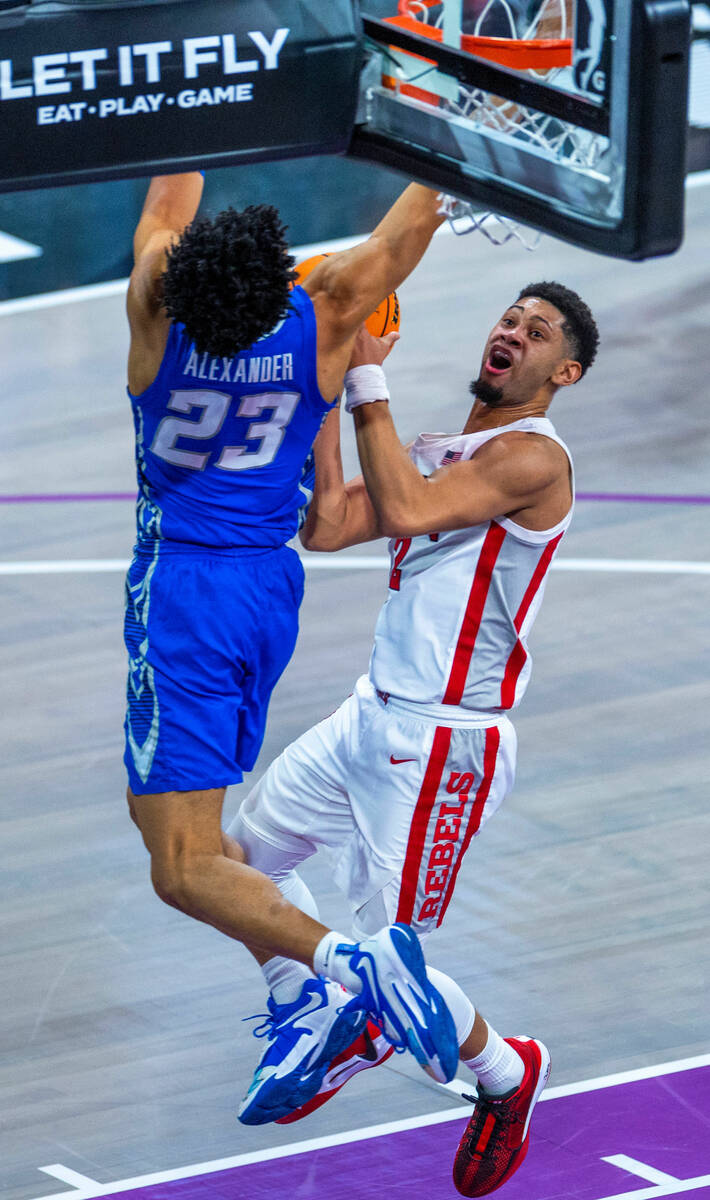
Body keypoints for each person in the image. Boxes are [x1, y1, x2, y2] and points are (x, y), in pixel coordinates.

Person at [229, 281, 600, 1196]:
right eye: (510, 316)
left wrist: (363, 375)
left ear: (566, 371)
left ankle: (509, 1077)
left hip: (445, 744)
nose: (512, 329)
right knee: (240, 860)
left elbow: (404, 511)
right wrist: (326, 390)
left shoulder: (534, 461)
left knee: (394, 970)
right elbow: (328, 524)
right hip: (370, 712)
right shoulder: (450, 450)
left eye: (537, 329)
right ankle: (299, 997)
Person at [123, 171, 461, 1094]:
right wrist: (452, 139)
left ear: (174, 292)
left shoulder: (158, 331)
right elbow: (395, 241)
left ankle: (350, 971)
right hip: (269, 590)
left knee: (182, 867)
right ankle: (293, 987)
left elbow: (162, 213)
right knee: (180, 828)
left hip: (185, 594)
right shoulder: (325, 322)